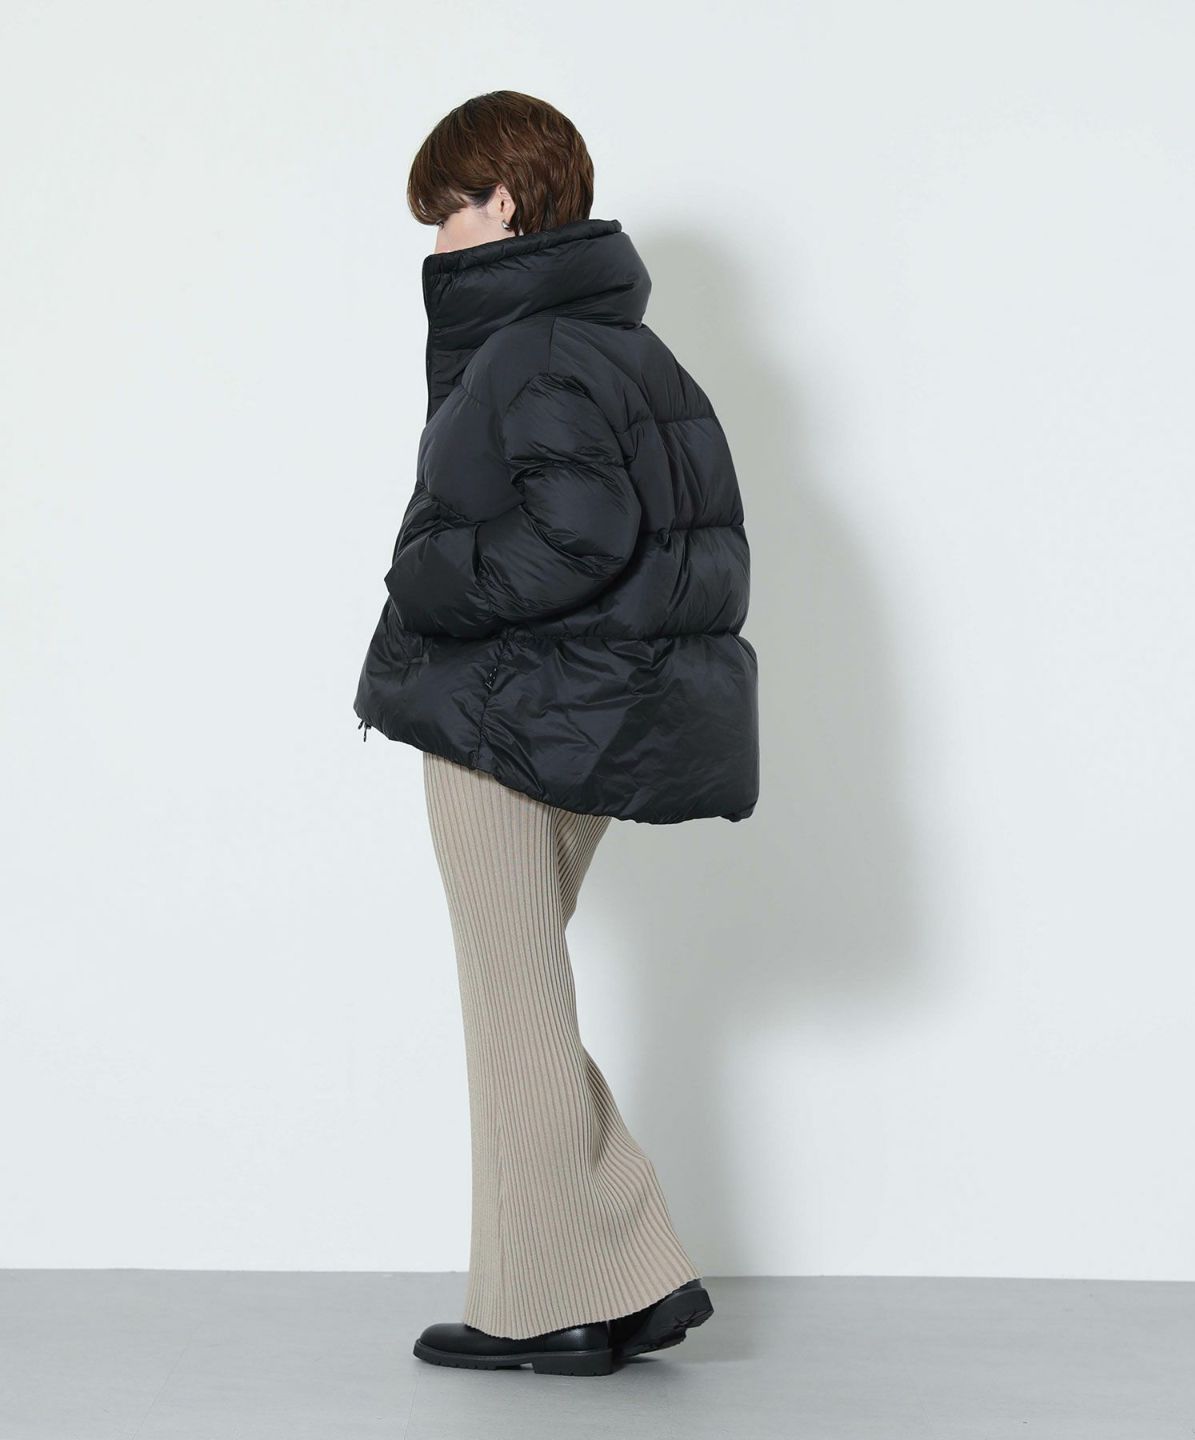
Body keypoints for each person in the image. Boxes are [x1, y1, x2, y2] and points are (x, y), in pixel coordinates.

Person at [353, 90, 759, 1378]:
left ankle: (555, 1301)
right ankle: (612, 1282)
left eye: (448, 211)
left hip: (509, 721)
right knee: (523, 993)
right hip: (580, 722)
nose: (436, 243)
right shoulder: (630, 349)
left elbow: (576, 536)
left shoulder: (528, 349)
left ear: (506, 202)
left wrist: (426, 576)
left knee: (510, 1000)